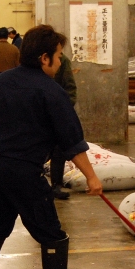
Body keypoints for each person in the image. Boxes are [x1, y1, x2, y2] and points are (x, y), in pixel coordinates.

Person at [0, 24, 102, 269]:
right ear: (44, 58)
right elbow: (73, 142)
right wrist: (92, 178)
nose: (60, 62)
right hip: (23, 171)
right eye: (59, 56)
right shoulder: (52, 92)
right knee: (51, 233)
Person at [49, 53, 77, 200]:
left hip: (57, 112)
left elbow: (70, 88)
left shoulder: (62, 60)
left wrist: (65, 109)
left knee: (58, 150)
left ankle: (56, 184)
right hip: (36, 115)